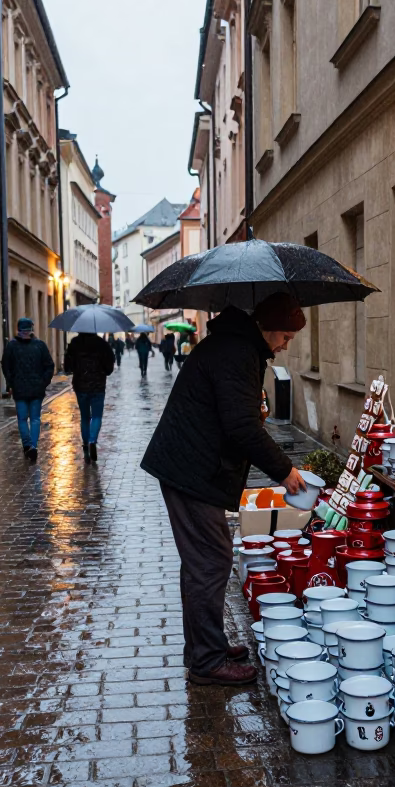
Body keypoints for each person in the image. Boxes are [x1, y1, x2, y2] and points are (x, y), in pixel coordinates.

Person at [142, 293, 308, 686]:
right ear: (268, 329)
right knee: (210, 562)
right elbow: (240, 427)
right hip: (192, 469)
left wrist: (254, 410)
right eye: (285, 336)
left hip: (195, 467)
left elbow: (237, 415)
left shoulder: (236, 348)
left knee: (204, 561)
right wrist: (284, 471)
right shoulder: (237, 353)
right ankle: (207, 661)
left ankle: (204, 646)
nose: (285, 345)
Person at [1, 317, 54, 461]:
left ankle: (28, 445)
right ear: (31, 330)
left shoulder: (11, 346)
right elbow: (49, 366)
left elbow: (6, 367)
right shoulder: (40, 346)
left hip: (20, 389)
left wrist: (11, 383)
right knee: (35, 419)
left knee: (23, 419)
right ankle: (33, 446)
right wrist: (43, 382)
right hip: (36, 389)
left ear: (18, 330)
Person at [63, 332, 115, 462]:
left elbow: (67, 367)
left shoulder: (75, 343)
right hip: (98, 385)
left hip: (81, 386)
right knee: (97, 416)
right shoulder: (102, 344)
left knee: (85, 417)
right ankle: (93, 440)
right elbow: (109, 367)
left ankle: (86, 446)